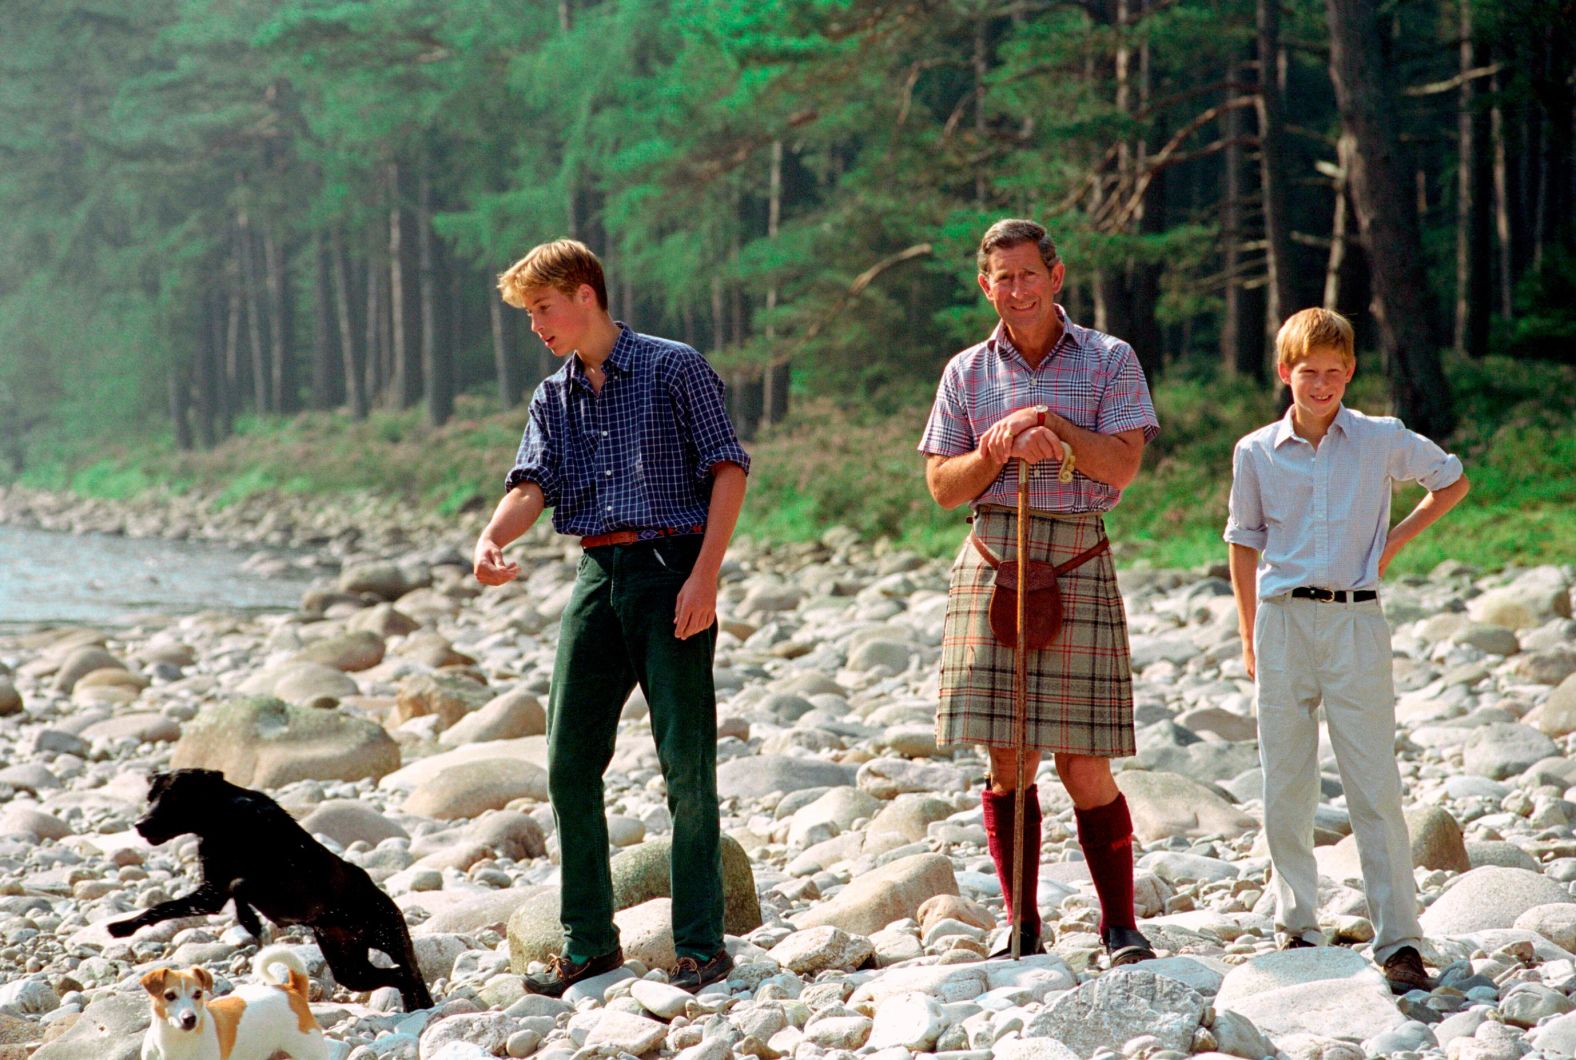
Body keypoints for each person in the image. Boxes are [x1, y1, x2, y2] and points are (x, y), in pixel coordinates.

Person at [472, 239, 750, 996]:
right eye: (530, 313)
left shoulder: (673, 366)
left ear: (584, 294)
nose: (536, 326)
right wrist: (494, 535)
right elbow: (531, 484)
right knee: (567, 764)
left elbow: (729, 466)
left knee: (686, 766)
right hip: (598, 574)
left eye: (542, 309)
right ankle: (590, 942)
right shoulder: (553, 395)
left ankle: (701, 944)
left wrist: (705, 577)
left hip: (673, 571)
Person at [919, 218, 1159, 964]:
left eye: (1029, 275)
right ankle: (1020, 925)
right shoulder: (965, 372)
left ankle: (1120, 926)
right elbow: (939, 486)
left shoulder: (1111, 359)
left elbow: (1120, 468)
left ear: (1057, 277)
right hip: (992, 557)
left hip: (1078, 556)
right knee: (1008, 757)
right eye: (1003, 279)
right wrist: (997, 446)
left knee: (1083, 760)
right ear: (984, 286)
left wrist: (1049, 421)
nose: (1016, 291)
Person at [1225, 307, 1469, 993]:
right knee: (1286, 782)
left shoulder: (1380, 438)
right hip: (1281, 623)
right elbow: (1243, 540)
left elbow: (1451, 481)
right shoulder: (1256, 451)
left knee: (1374, 785)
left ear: (1351, 372)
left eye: (1335, 372)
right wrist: (1247, 635)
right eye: (1309, 373)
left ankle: (1399, 942)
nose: (1322, 384)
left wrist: (1390, 543)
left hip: (1357, 623)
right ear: (1285, 374)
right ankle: (1298, 926)